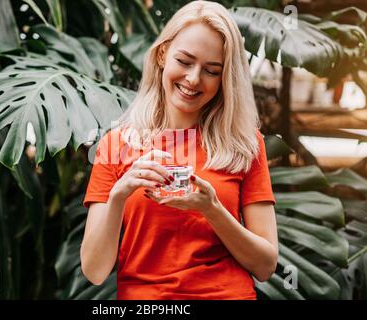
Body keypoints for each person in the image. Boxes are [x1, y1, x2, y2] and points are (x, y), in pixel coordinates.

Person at [80, 0, 278, 300]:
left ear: (225, 80)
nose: (194, 79)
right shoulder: (117, 144)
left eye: (212, 71)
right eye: (184, 61)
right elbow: (94, 271)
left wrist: (212, 210)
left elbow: (265, 266)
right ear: (162, 55)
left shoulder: (243, 145)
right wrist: (119, 194)